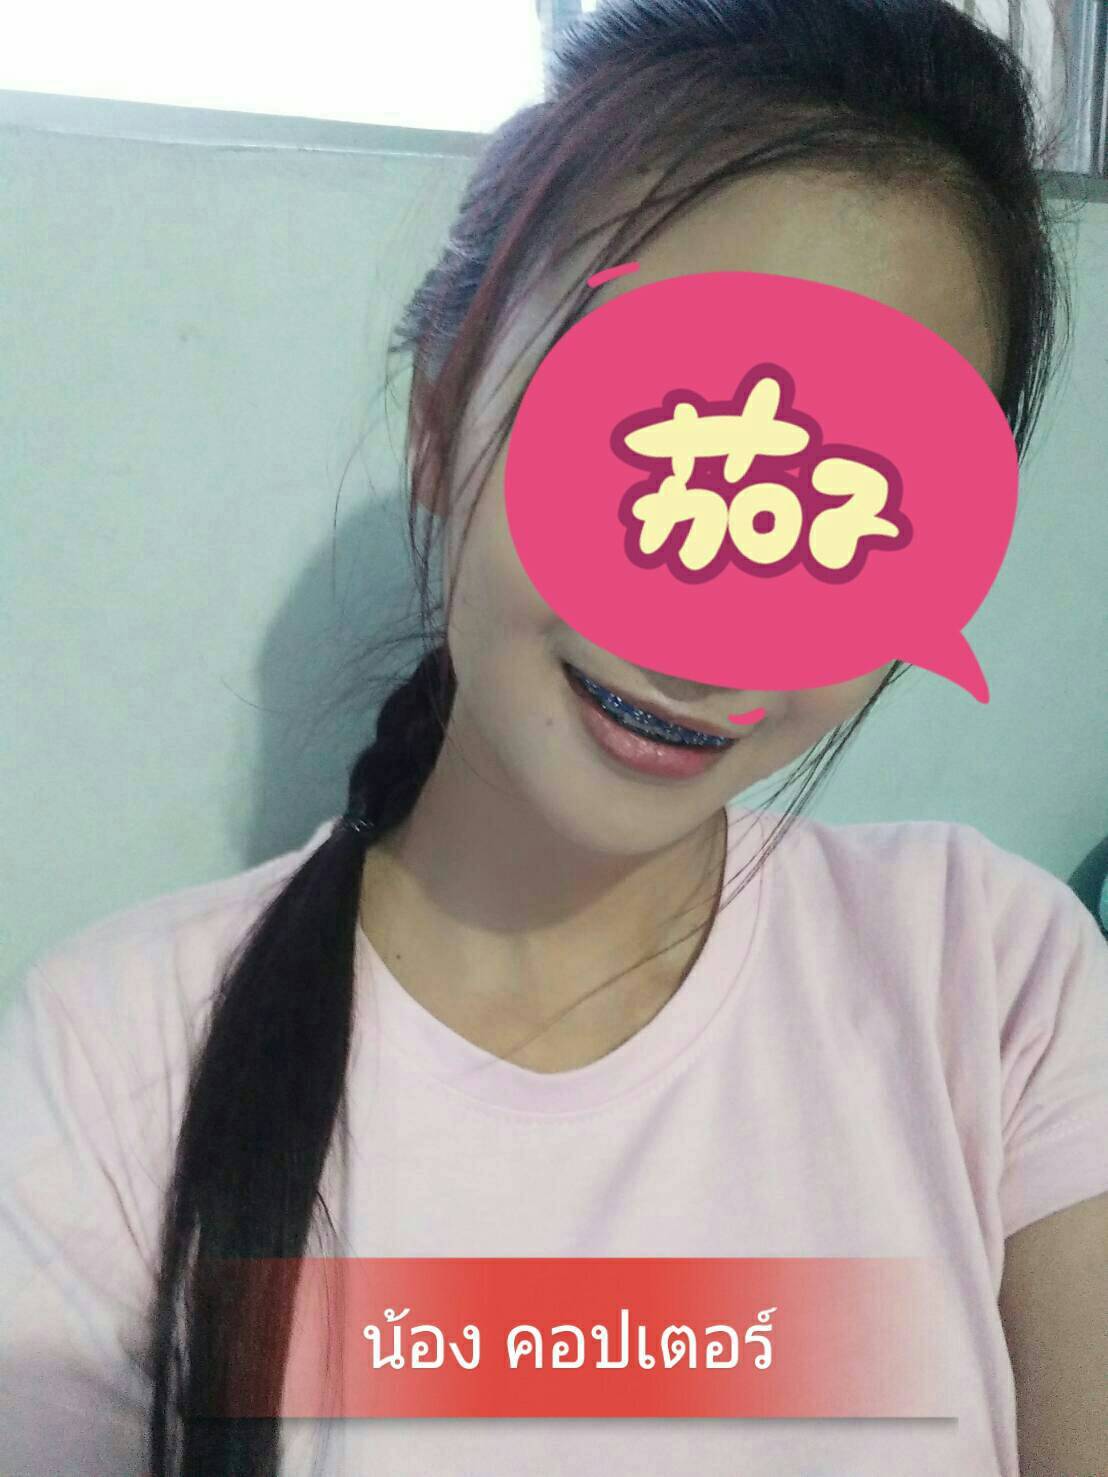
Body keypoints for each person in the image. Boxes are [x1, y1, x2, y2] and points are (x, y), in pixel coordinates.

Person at [2, 1, 1106, 1473]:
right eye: (656, 442)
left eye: (843, 509)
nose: (710, 630)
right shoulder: (111, 1062)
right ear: (442, 414)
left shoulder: (998, 982)